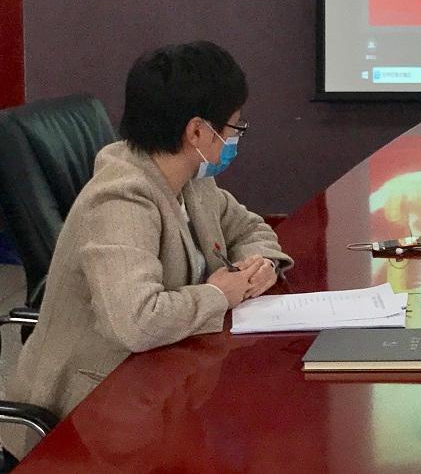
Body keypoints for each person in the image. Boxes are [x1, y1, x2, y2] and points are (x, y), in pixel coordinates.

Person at [1, 42, 293, 460]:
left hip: (161, 381)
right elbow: (136, 322)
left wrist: (260, 263)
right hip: (90, 415)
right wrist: (219, 295)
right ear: (197, 132)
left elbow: (250, 228)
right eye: (233, 127)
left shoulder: (191, 179)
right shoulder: (121, 199)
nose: (233, 139)